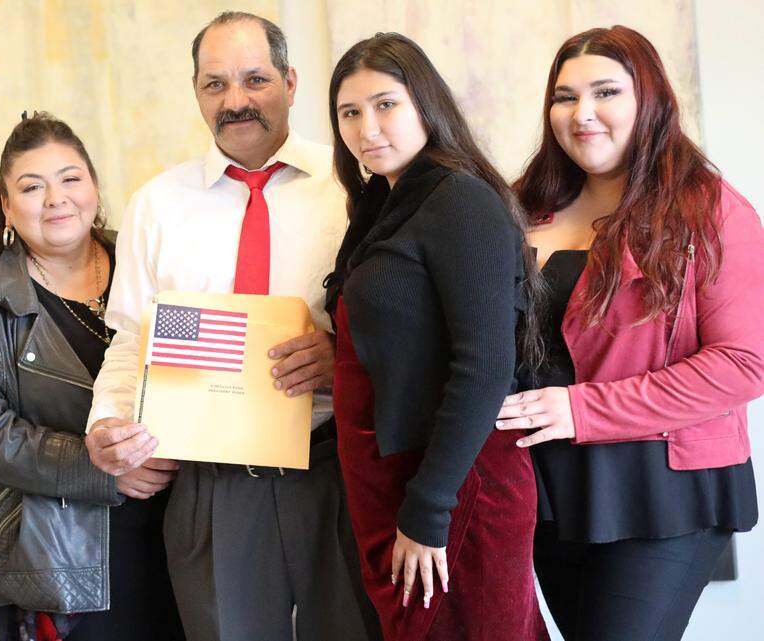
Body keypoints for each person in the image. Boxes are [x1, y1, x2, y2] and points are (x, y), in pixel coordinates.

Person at [83, 12, 379, 641]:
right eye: (215, 84)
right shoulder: (156, 205)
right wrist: (106, 426)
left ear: (292, 82)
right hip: (210, 485)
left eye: (255, 79)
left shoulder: (356, 186)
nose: (236, 101)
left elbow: (407, 328)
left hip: (336, 470)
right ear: (195, 91)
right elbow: (131, 340)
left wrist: (344, 357)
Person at [500, 25, 761, 641]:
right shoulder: (519, 208)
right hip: (547, 488)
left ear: (650, 101)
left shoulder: (710, 210)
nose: (581, 114)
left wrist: (581, 408)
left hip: (662, 488)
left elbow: (743, 363)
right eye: (564, 97)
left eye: (605, 92)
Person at [323, 32, 549, 641]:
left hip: (456, 484)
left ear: (426, 103)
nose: (368, 127)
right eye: (350, 112)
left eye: (385, 104)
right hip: (396, 482)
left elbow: (482, 367)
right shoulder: (381, 206)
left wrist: (429, 510)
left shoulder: (460, 200)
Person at [0, 112, 185, 641]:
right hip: (59, 547)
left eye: (71, 179)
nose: (56, 198)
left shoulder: (147, 262)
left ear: (94, 187)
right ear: (6, 205)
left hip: (176, 525)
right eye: (32, 186)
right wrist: (101, 471)